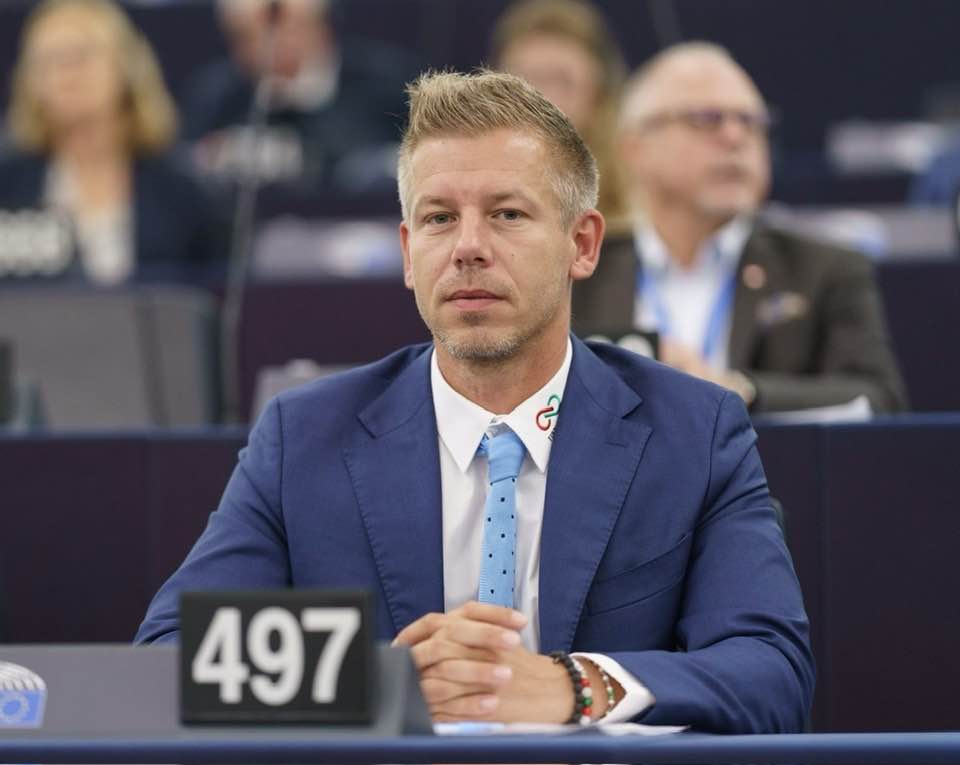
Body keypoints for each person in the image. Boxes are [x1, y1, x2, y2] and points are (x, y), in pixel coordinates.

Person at [137, 70, 814, 733]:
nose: (467, 248)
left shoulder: (693, 432)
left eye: (507, 214)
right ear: (408, 253)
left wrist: (572, 684)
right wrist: (371, 683)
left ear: (582, 244)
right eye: (438, 218)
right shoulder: (303, 436)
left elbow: (771, 671)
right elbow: (165, 658)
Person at [573, 42, 907, 414]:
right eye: (707, 119)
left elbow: (880, 400)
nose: (735, 138)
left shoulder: (824, 270)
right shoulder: (580, 270)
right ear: (634, 148)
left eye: (751, 122)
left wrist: (740, 391)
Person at [0, 0, 224, 284]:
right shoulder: (6, 186)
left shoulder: (182, 191)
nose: (66, 74)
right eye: (48, 61)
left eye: (80, 56)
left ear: (125, 67)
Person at [179, 0, 416, 194]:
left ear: (320, 26)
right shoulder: (217, 95)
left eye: (286, 28)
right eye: (244, 37)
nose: (264, 46)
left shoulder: (386, 85)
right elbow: (186, 167)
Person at [491, 0, 630, 231]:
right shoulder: (469, 186)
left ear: (597, 91)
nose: (544, 101)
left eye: (560, 81)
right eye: (528, 83)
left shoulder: (641, 197)